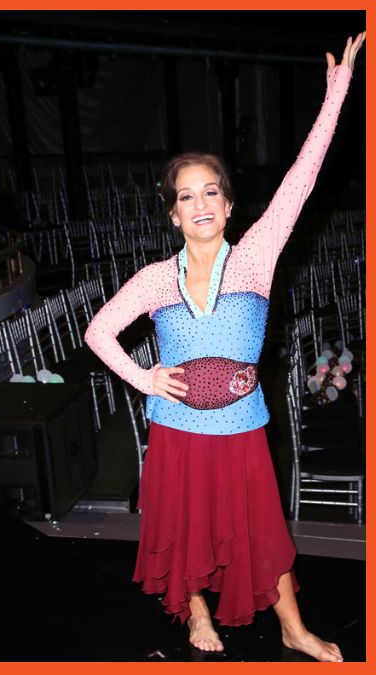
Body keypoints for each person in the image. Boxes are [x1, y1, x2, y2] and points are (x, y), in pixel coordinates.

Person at [85, 32, 364, 662]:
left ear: (230, 205)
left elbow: (303, 176)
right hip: (178, 425)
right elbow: (97, 331)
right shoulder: (156, 278)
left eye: (212, 190)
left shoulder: (257, 257)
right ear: (174, 215)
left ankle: (294, 627)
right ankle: (196, 616)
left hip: (241, 425)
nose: (201, 202)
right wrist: (144, 377)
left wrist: (338, 89)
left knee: (261, 529)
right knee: (187, 529)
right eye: (186, 196)